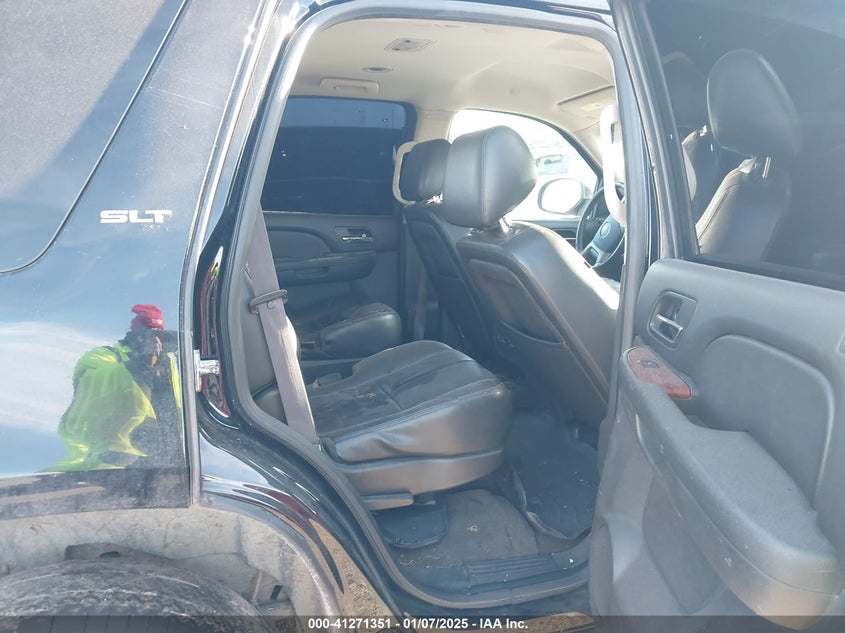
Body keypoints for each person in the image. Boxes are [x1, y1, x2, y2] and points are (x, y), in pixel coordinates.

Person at [51, 305, 182, 471]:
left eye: (158, 336)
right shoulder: (103, 356)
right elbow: (94, 394)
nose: (153, 343)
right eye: (147, 335)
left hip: (171, 465)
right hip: (102, 465)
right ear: (134, 334)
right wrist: (141, 366)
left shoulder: (169, 364)